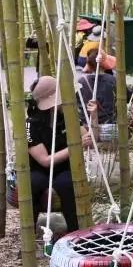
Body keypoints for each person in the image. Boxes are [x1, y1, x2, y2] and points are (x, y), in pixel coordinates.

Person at [27, 76, 93, 233]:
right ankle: (29, 232)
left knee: (67, 183)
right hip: (39, 170)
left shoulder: (68, 117)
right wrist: (76, 146)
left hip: (65, 168)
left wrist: (94, 116)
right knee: (33, 183)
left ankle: (74, 232)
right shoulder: (31, 124)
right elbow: (44, 161)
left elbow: (90, 139)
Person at [78, 50, 116, 125]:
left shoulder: (81, 81)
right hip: (109, 125)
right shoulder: (112, 80)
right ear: (104, 64)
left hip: (87, 126)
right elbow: (128, 97)